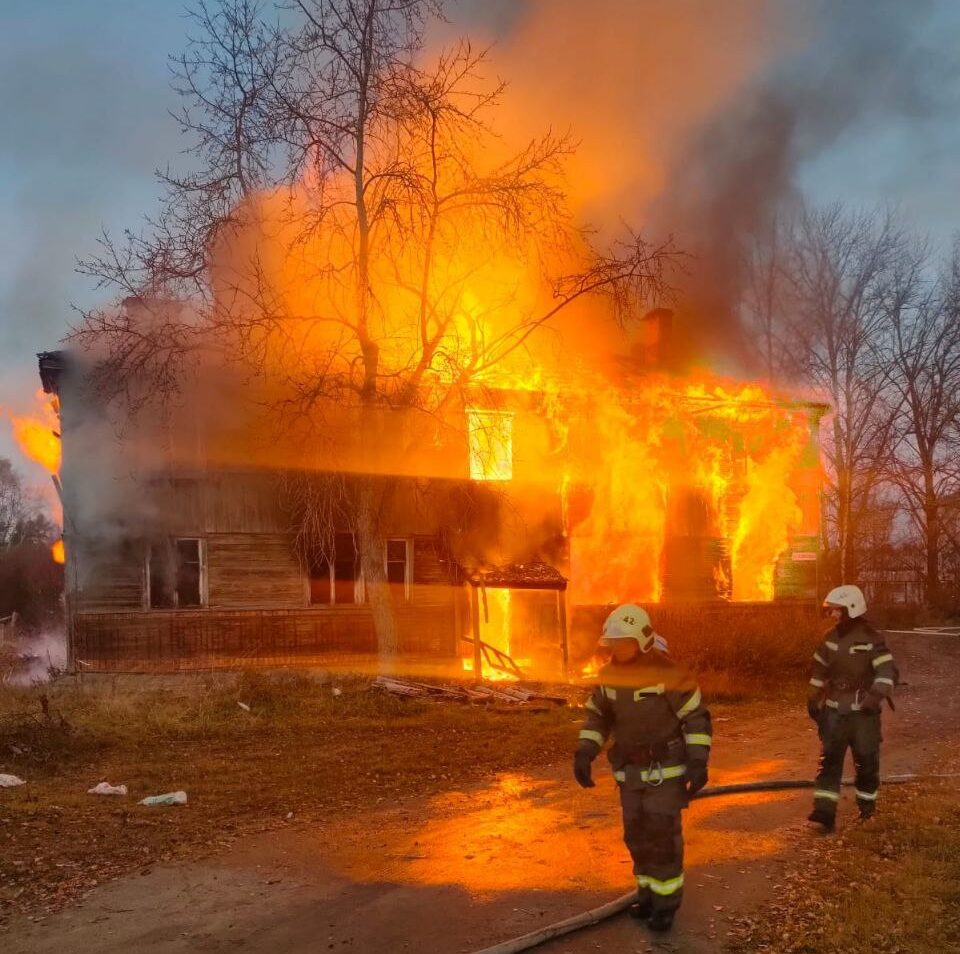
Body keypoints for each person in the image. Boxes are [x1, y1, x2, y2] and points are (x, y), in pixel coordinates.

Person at [573, 603, 711, 932]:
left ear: (643, 640)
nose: (617, 650)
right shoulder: (608, 677)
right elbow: (598, 718)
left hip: (667, 771)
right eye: (613, 644)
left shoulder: (669, 673)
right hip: (629, 772)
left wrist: (697, 761)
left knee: (662, 837)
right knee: (636, 835)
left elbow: (696, 717)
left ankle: (666, 906)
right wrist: (585, 751)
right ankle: (647, 894)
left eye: (624, 643)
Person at [807, 584, 897, 832]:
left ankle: (867, 810)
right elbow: (818, 670)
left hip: (864, 715)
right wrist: (813, 696)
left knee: (866, 763)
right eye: (832, 611)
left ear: (852, 609)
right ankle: (824, 812)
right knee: (830, 762)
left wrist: (875, 696)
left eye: (837, 611)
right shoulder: (830, 638)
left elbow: (886, 671)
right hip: (835, 712)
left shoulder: (872, 639)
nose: (833, 615)